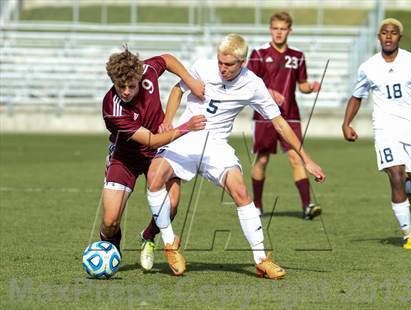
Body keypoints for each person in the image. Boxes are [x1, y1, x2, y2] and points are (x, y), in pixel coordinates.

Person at [141, 34, 326, 279]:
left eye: (228, 65)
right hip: (186, 137)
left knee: (240, 191)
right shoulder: (203, 67)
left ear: (243, 62)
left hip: (216, 144)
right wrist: (167, 121)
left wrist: (307, 159)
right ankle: (169, 243)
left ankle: (261, 259)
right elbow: (177, 91)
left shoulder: (253, 84)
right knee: (155, 177)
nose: (222, 68)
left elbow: (280, 124)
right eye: (220, 62)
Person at [99, 46, 206, 257]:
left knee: (172, 205)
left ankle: (148, 236)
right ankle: (110, 253)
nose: (126, 91)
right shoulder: (112, 108)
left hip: (161, 151)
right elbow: (152, 140)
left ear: (140, 78)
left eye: (131, 86)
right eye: (121, 86)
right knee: (110, 221)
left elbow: (167, 59)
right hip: (126, 156)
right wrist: (185, 127)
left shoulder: (147, 70)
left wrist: (191, 82)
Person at [342, 18, 411, 250]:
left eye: (393, 33)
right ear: (379, 37)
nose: (388, 36)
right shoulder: (368, 67)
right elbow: (357, 96)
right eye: (384, 33)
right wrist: (346, 123)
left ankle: (409, 190)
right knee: (395, 175)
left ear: (399, 37)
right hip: (385, 130)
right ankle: (409, 236)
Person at [247, 12, 321, 219]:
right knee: (261, 160)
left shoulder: (297, 56)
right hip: (264, 116)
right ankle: (258, 206)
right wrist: (270, 93)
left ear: (290, 30)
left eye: (283, 29)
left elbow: (302, 85)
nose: (279, 33)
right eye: (275, 28)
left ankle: (307, 206)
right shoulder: (258, 53)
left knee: (296, 158)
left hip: (290, 115)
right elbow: (249, 84)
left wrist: (311, 87)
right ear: (270, 29)